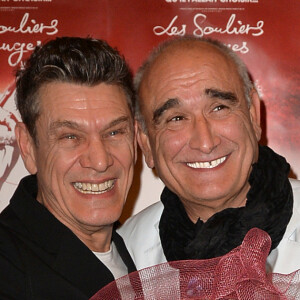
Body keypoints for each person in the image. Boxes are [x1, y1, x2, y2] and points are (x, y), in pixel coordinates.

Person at [118, 36, 300, 275]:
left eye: (219, 108)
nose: (205, 143)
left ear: (254, 114)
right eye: (176, 118)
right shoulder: (124, 256)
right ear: (146, 144)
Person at [0, 37, 137, 299]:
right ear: (28, 146)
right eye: (70, 137)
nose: (100, 161)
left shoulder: (140, 253)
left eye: (114, 132)